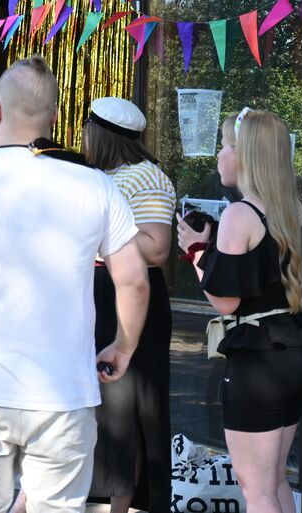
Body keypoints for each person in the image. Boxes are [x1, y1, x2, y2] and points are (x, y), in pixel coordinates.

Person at [0, 55, 150, 512]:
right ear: (54, 118)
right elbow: (133, 281)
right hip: (64, 392)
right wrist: (123, 347)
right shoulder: (95, 184)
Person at [176, 109, 302, 513]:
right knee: (275, 478)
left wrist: (195, 253)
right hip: (297, 354)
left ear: (245, 156)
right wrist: (203, 253)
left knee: (255, 488)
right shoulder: (295, 208)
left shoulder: (239, 215)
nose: (219, 156)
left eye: (225, 146)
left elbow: (226, 301)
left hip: (259, 365)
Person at [82, 97, 176, 513]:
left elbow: (156, 250)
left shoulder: (146, 176)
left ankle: (122, 507)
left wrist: (104, 226)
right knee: (105, 407)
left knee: (127, 408)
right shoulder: (103, 176)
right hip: (102, 292)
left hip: (131, 296)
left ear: (100, 134)